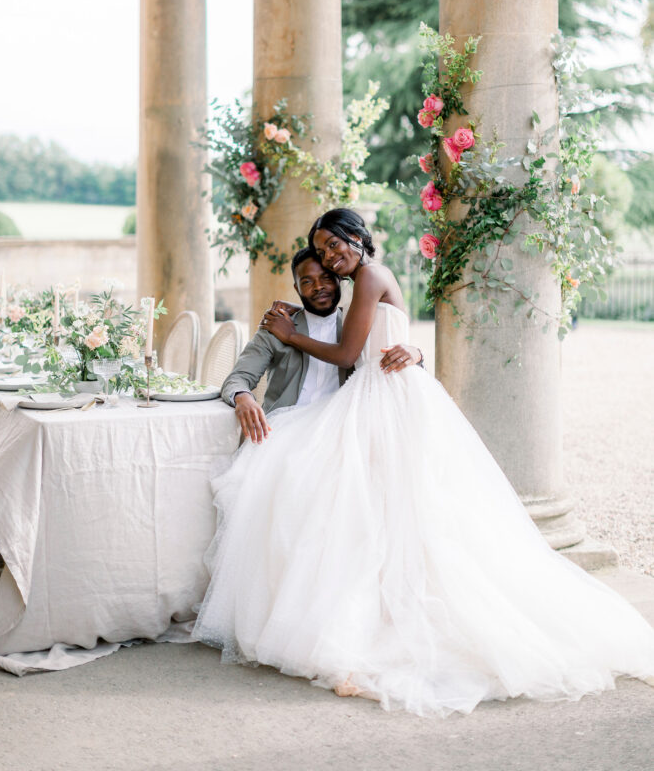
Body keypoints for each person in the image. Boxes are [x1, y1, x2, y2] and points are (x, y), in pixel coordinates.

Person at [192, 209, 654, 717]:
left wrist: (304, 334)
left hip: (380, 401)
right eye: (319, 256)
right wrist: (401, 348)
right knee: (382, 512)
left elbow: (350, 355)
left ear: (357, 238)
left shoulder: (367, 277)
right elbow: (378, 343)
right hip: (375, 397)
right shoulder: (363, 284)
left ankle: (390, 618)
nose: (328, 260)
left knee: (403, 508)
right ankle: (370, 608)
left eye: (333, 248)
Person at [222, 246, 421, 444]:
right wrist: (243, 397)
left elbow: (388, 360)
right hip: (284, 431)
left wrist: (416, 353)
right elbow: (238, 378)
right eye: (307, 281)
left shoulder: (356, 331)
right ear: (296, 288)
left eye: (326, 278)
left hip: (339, 433)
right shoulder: (276, 327)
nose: (318, 287)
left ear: (339, 281)